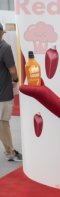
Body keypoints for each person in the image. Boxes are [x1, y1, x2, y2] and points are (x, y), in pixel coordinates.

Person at [0, 23, 22, 161]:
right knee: (3, 123)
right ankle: (10, 152)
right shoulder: (5, 48)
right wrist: (16, 79)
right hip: (3, 94)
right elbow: (13, 70)